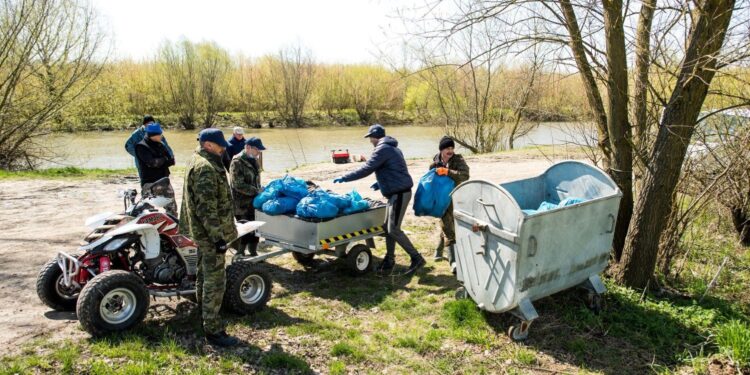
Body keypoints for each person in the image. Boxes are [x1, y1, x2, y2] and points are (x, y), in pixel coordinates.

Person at [333, 124, 426, 276]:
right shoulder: (393, 148)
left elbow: (367, 168)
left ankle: (416, 258)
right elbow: (395, 169)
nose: (370, 141)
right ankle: (389, 260)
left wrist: (345, 177)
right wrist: (381, 182)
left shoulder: (382, 149)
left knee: (393, 229)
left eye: (370, 138)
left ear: (374, 137)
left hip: (399, 194)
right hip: (397, 192)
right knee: (388, 228)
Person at [179, 128, 239, 347]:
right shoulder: (205, 167)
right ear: (207, 145)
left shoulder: (199, 160)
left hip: (203, 233)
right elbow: (207, 209)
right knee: (215, 281)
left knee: (204, 274)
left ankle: (203, 315)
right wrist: (218, 238)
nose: (223, 148)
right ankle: (213, 330)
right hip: (210, 235)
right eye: (219, 145)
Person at [429, 136, 470, 265]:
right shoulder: (435, 162)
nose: (450, 150)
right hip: (441, 199)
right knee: (448, 227)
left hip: (456, 197)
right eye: (447, 148)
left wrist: (447, 171)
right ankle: (454, 262)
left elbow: (465, 176)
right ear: (441, 150)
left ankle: (438, 251)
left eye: (452, 148)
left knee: (447, 224)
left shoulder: (459, 160)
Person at [229, 137, 266, 257]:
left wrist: (260, 189)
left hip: (254, 201)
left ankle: (253, 251)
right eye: (257, 150)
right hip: (241, 204)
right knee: (244, 228)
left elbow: (256, 179)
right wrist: (256, 191)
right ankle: (240, 252)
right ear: (248, 147)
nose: (259, 153)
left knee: (255, 228)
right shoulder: (237, 161)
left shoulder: (254, 160)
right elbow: (238, 184)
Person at [134, 123, 178, 217]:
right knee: (146, 210)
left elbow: (171, 160)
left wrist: (163, 161)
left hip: (164, 181)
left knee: (172, 208)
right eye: (159, 134)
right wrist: (164, 160)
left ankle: (172, 225)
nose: (161, 136)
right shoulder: (141, 146)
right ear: (153, 135)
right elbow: (152, 163)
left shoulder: (160, 144)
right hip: (150, 183)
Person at [125, 115, 174, 180]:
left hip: (158, 161)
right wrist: (138, 154)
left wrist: (171, 156)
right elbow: (128, 145)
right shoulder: (137, 133)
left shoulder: (157, 132)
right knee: (146, 179)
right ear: (144, 125)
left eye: (152, 124)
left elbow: (165, 145)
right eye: (148, 124)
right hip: (143, 163)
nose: (150, 125)